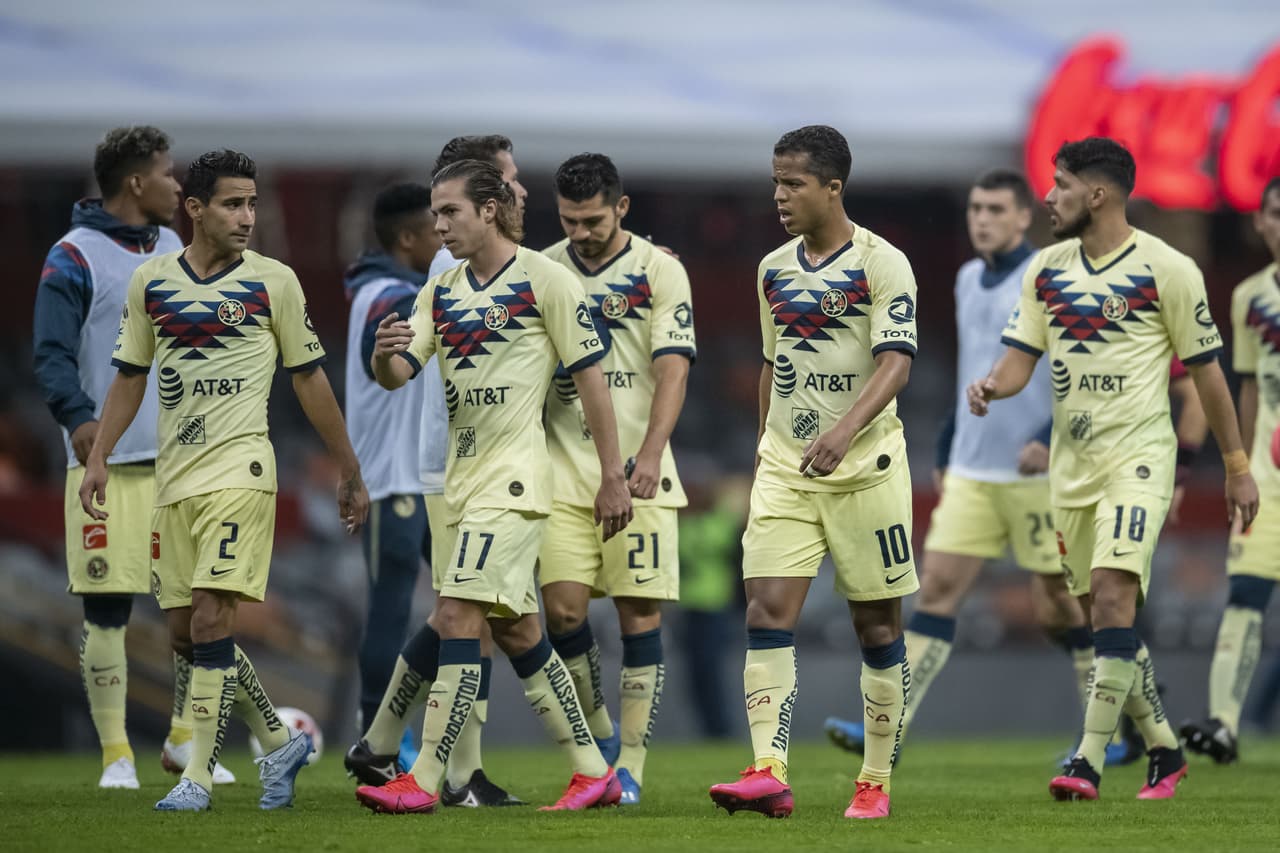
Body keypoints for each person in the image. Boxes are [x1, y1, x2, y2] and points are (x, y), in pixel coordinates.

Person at [968, 136, 1259, 801]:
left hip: (1140, 459)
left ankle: (1088, 759)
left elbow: (1210, 377)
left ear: (1096, 194)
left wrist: (1236, 465)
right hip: (1072, 469)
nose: (1048, 197)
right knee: (1103, 618)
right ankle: (1164, 746)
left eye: (1060, 184)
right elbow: (1021, 358)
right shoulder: (1044, 270)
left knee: (1111, 595)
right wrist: (992, 385)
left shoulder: (1168, 269)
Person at [79, 149, 370, 811]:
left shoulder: (275, 282)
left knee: (213, 618)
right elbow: (129, 376)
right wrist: (100, 455)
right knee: (187, 633)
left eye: (253, 203)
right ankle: (278, 736)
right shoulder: (151, 282)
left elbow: (310, 379)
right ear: (195, 209)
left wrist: (349, 467)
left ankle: (198, 778)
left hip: (243, 471)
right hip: (174, 480)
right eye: (233, 204)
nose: (247, 217)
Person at [354, 158, 633, 814]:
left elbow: (592, 381)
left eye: (450, 211)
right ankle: (593, 770)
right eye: (434, 212)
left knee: (455, 614)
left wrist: (612, 475)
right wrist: (380, 354)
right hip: (459, 479)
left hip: (513, 480)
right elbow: (399, 371)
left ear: (488, 209)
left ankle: (421, 777)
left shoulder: (546, 280)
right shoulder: (439, 289)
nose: (438, 223)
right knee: (517, 629)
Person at [821, 169, 1090, 755]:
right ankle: (887, 728)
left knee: (1062, 606)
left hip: (1038, 471)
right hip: (974, 467)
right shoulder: (968, 279)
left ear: (1025, 217)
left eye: (996, 209)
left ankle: (1112, 724)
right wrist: (948, 444)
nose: (982, 220)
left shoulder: (1049, 278)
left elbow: (1080, 374)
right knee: (936, 589)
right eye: (974, 209)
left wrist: (1050, 434)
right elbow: (973, 366)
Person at [707, 125, 919, 821]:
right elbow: (774, 362)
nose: (779, 195)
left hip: (867, 469)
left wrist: (843, 429)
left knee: (877, 628)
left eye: (793, 182)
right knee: (766, 609)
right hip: (787, 470)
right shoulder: (773, 269)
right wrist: (768, 442)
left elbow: (896, 359)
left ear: (833, 187)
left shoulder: (882, 264)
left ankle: (875, 780)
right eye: (775, 181)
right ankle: (768, 769)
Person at [32, 126, 231, 789]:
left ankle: (181, 741)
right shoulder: (72, 257)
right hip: (106, 466)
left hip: (181, 460)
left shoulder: (176, 248)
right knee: (108, 607)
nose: (180, 186)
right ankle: (116, 753)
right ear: (136, 183)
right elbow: (52, 354)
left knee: (192, 606)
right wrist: (79, 419)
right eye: (170, 174)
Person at [344, 136, 527, 807]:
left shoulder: (472, 269)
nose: (521, 194)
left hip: (455, 469)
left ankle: (402, 747)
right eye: (511, 181)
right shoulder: (445, 275)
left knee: (464, 616)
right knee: (453, 614)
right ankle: (417, 755)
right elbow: (390, 370)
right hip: (448, 471)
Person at [539, 153, 696, 804]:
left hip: (638, 471)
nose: (580, 233)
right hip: (559, 470)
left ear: (621, 208)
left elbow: (673, 368)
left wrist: (652, 453)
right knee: (562, 609)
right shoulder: (542, 269)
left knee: (637, 613)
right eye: (570, 220)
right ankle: (602, 734)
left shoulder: (661, 269)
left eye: (593, 220)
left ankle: (629, 765)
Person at [1181, 176, 1280, 763]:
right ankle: (1223, 725)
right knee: (1245, 594)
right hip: (1268, 476)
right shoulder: (1250, 298)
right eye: (1275, 213)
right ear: (1260, 222)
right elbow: (1246, 389)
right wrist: (1238, 464)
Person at [343, 183, 441, 768]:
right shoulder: (390, 297)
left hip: (423, 478)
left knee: (462, 609)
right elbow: (373, 359)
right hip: (391, 480)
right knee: (391, 606)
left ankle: (431, 744)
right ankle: (374, 734)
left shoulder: (392, 290)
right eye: (436, 226)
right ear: (408, 238)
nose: (445, 237)